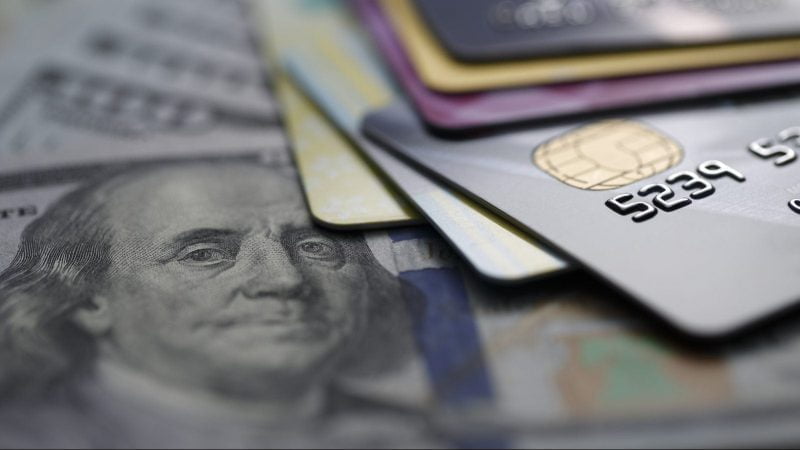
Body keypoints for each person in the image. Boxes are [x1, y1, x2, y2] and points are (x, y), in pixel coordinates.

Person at [0, 161, 433, 447]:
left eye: (314, 246)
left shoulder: (430, 434)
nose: (284, 280)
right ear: (88, 299)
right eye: (204, 254)